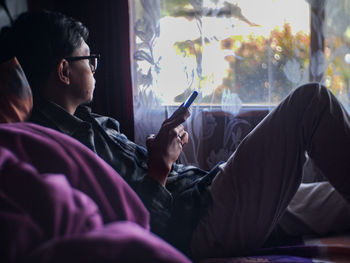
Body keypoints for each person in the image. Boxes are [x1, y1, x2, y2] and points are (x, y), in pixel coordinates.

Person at [1, 10, 350, 260]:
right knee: (311, 101)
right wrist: (160, 167)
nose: (94, 68)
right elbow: (138, 228)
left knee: (338, 201)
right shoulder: (61, 147)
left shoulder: (88, 124)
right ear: (64, 71)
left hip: (207, 194)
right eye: (88, 59)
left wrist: (158, 154)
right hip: (204, 222)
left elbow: (136, 186)